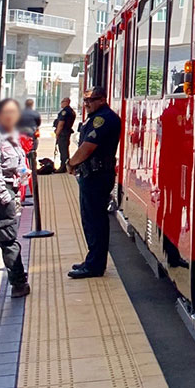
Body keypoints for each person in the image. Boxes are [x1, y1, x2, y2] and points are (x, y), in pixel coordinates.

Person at [66, 87, 121, 279]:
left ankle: (95, 266)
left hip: (97, 175)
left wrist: (71, 163)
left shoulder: (103, 118)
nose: (87, 104)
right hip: (92, 174)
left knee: (95, 221)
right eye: (85, 101)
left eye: (91, 100)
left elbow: (87, 148)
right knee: (90, 220)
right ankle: (92, 260)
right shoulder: (96, 116)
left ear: (102, 100)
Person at [0, 99, 30, 299]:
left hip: (8, 190)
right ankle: (18, 283)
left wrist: (23, 172)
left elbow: (17, 162)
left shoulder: (11, 138)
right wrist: (4, 196)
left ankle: (18, 281)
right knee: (8, 238)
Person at [53, 97, 76, 172]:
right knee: (65, 149)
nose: (61, 103)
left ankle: (63, 167)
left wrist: (57, 133)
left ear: (66, 102)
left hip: (63, 133)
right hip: (67, 132)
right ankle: (65, 166)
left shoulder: (65, 112)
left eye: (62, 102)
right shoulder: (72, 111)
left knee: (63, 150)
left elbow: (61, 123)